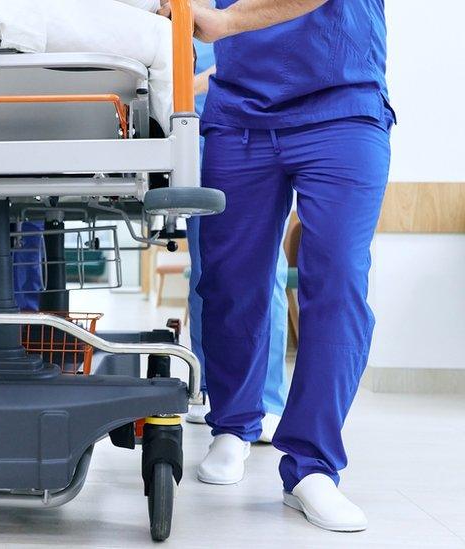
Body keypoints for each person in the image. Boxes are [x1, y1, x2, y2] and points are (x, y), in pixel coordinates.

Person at [161, 0, 394, 532]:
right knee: (228, 280)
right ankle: (232, 425)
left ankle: (313, 466)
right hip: (239, 112)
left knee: (337, 280)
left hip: (342, 103)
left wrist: (224, 23)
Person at [184, 37, 289, 444]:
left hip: (252, 127)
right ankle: (212, 388)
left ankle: (268, 398)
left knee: (266, 269)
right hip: (195, 129)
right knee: (209, 267)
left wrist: (200, 82)